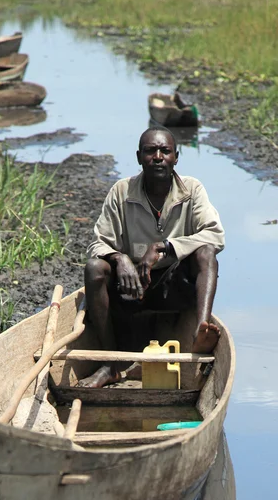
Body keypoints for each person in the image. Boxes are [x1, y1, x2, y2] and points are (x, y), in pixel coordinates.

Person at [80, 126, 225, 389]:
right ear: (139, 157)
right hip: (132, 289)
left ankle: (199, 332)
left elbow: (216, 235)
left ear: (176, 157)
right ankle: (109, 364)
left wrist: (166, 247)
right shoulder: (122, 192)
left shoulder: (192, 190)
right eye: (150, 151)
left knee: (207, 253)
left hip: (174, 286)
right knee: (94, 268)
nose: (158, 157)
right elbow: (97, 243)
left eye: (165, 151)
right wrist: (118, 258)